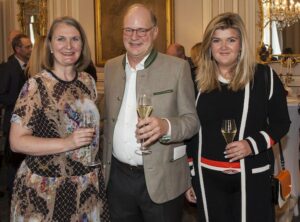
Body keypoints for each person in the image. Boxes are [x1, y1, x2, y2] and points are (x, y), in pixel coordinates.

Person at [185, 12, 291, 222]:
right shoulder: (193, 80)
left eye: (231, 40)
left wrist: (252, 144)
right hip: (207, 179)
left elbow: (281, 122)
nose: (223, 47)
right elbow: (188, 133)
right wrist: (190, 178)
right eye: (217, 40)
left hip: (253, 177)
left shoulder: (264, 77)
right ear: (209, 46)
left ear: (241, 44)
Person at [103, 3, 199, 222]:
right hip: (117, 179)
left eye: (142, 30)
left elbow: (192, 122)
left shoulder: (177, 68)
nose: (134, 36)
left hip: (162, 180)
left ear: (155, 32)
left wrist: (166, 126)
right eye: (129, 30)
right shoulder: (110, 67)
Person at [9, 16, 110, 221]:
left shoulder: (87, 82)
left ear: (82, 44)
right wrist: (67, 142)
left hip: (85, 187)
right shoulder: (35, 86)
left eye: (75, 39)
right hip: (45, 190)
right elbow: (16, 142)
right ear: (51, 46)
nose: (69, 46)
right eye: (61, 39)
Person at [0, 33, 32, 197]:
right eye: (27, 47)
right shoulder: (8, 67)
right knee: (12, 162)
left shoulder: (30, 66)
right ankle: (13, 195)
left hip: (26, 123)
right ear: (17, 49)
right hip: (12, 121)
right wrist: (22, 99)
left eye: (31, 46)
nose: (30, 49)